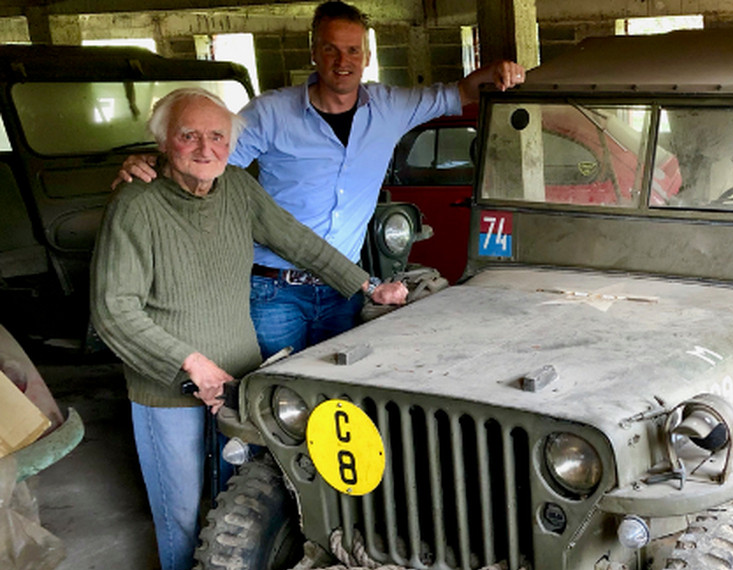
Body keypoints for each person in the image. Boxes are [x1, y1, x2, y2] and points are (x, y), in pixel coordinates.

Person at [91, 87, 407, 570]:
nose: (205, 148)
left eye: (217, 136)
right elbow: (113, 311)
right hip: (167, 392)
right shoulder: (136, 204)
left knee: (238, 501)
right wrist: (191, 365)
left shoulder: (238, 188)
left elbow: (298, 241)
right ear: (163, 143)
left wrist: (368, 286)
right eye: (188, 135)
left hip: (238, 382)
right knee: (179, 512)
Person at [117, 1, 525, 357]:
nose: (342, 61)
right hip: (274, 291)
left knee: (337, 395)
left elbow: (462, 93)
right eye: (331, 49)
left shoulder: (391, 107)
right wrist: (153, 161)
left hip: (346, 287)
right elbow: (208, 159)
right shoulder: (270, 113)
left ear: (366, 56)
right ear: (314, 52)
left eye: (352, 50)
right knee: (272, 394)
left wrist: (498, 70)